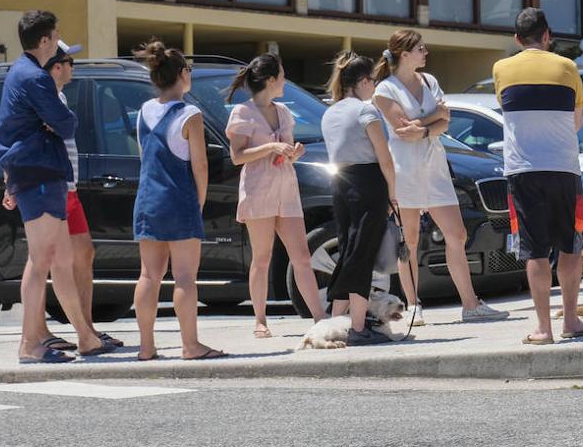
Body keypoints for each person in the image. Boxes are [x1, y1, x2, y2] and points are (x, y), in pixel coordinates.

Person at [372, 29, 506, 324]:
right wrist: (431, 122)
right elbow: (402, 129)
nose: (426, 52)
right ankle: (412, 304)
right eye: (420, 48)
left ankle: (470, 304)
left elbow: (445, 123)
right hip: (404, 169)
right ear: (405, 54)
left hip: (435, 166)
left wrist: (423, 129)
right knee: (409, 238)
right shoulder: (385, 90)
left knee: (457, 234)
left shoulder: (430, 81)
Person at [0, 11, 105, 363]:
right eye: (56, 34)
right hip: (39, 172)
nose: (59, 39)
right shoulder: (35, 78)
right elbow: (66, 123)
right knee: (41, 260)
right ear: (44, 41)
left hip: (42, 171)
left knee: (61, 260)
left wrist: (50, 126)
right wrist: (52, 125)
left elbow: (55, 125)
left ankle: (86, 337)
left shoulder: (20, 72)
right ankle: (29, 345)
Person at [6, 41, 121, 354]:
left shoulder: (57, 96)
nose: (73, 67)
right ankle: (41, 335)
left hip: (66, 187)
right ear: (56, 66)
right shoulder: (41, 96)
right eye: (70, 62)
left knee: (80, 254)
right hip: (49, 185)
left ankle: (85, 330)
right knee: (46, 259)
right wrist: (10, 182)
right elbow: (16, 138)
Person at [492, 7, 583, 345]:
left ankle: (542, 328)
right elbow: (577, 120)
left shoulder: (501, 68)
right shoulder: (568, 67)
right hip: (565, 168)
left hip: (523, 170)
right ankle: (570, 319)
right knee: (570, 245)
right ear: (548, 36)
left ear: (517, 39)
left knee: (534, 251)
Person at [132, 40, 225, 361]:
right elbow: (200, 164)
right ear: (182, 74)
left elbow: (145, 157)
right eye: (190, 69)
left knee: (148, 275)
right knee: (184, 277)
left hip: (147, 200)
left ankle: (146, 347)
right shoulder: (190, 114)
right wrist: (198, 202)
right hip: (179, 198)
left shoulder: (144, 111)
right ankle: (190, 345)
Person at [225, 53, 326, 337]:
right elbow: (237, 156)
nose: (284, 80)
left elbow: (286, 151)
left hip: (286, 187)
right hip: (259, 190)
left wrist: (293, 153)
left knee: (302, 256)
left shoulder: (283, 111)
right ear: (271, 80)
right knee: (262, 257)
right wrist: (270, 148)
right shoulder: (242, 113)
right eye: (282, 75)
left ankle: (320, 317)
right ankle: (260, 320)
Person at [321, 52, 399, 346]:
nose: (375, 86)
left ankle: (335, 323)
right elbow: (385, 158)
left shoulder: (330, 113)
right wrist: (394, 193)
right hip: (369, 184)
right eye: (373, 81)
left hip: (341, 185)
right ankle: (357, 327)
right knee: (362, 256)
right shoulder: (366, 112)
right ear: (364, 81)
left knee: (350, 252)